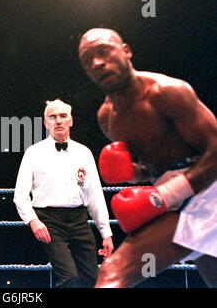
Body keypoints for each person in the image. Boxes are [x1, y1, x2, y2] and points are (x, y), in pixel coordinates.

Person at [78, 28, 217, 287]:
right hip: (176, 199)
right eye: (88, 60)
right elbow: (152, 167)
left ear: (126, 51)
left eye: (104, 51)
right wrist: (133, 173)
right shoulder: (107, 118)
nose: (97, 62)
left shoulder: (167, 92)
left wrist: (163, 196)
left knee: (112, 273)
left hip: (208, 192)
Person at [13, 99, 114, 288]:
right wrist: (33, 221)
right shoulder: (34, 153)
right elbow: (20, 195)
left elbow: (95, 196)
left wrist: (106, 234)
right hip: (49, 221)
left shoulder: (84, 153)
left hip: (79, 220)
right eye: (53, 117)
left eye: (63, 116)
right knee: (69, 278)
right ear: (46, 123)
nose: (58, 120)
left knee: (93, 280)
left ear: (71, 120)